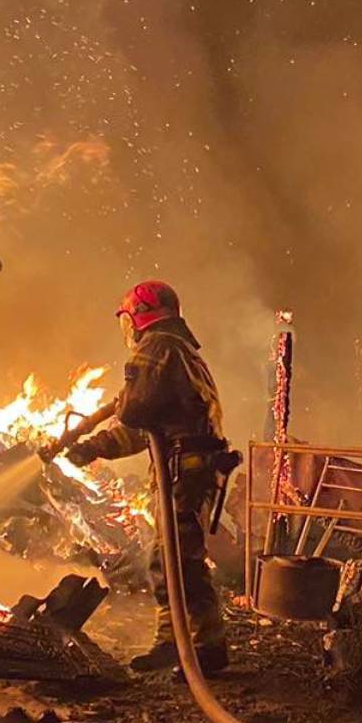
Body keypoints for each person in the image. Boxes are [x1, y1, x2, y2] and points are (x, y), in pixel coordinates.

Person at [65, 280, 230, 675]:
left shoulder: (157, 346)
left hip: (183, 472)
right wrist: (93, 447)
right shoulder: (180, 350)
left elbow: (134, 412)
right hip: (191, 468)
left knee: (170, 560)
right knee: (184, 561)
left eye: (127, 319)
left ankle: (175, 643)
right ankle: (207, 646)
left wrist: (124, 398)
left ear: (138, 316)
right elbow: (146, 431)